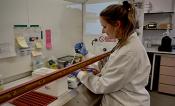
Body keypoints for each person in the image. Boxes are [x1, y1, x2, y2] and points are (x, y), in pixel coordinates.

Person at [74, 1, 151, 106]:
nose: (102, 31)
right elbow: (109, 67)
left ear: (117, 24)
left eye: (104, 26)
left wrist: (80, 74)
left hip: (126, 102)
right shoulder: (124, 42)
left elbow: (101, 86)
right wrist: (86, 54)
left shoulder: (129, 51)